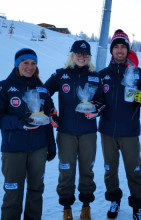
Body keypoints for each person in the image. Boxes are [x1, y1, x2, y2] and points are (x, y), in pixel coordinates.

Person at [0, 48, 57, 220]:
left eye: (33, 63)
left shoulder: (42, 88)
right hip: (13, 149)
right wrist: (20, 123)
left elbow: (49, 117)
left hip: (38, 149)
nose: (30, 67)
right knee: (13, 193)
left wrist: (51, 145)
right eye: (25, 63)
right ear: (17, 64)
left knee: (36, 190)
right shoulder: (3, 87)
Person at [44, 40, 104, 220]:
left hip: (88, 133)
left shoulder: (95, 76)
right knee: (66, 171)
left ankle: (86, 206)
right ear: (72, 55)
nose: (81, 57)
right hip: (66, 132)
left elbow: (102, 102)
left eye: (85, 54)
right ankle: (67, 208)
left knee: (87, 170)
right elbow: (43, 92)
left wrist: (95, 110)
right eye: (78, 53)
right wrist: (51, 112)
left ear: (89, 57)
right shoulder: (60, 75)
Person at [98, 29, 141, 220]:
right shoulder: (102, 75)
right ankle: (114, 200)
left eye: (123, 47)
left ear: (128, 50)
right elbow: (96, 101)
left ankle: (137, 206)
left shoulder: (139, 74)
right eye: (116, 47)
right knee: (110, 170)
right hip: (107, 132)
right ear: (111, 50)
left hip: (130, 132)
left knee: (134, 171)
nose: (120, 50)